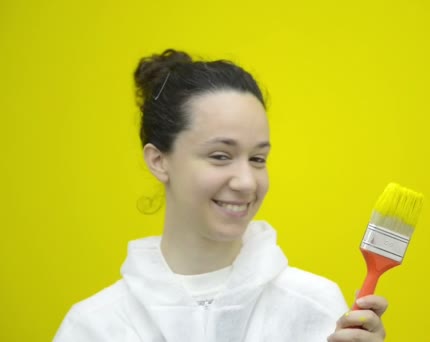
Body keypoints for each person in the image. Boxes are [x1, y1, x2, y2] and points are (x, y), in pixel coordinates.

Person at [54, 49, 388, 342]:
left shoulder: (317, 308)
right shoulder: (95, 327)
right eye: (220, 156)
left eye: (257, 159)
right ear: (159, 160)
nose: (246, 182)